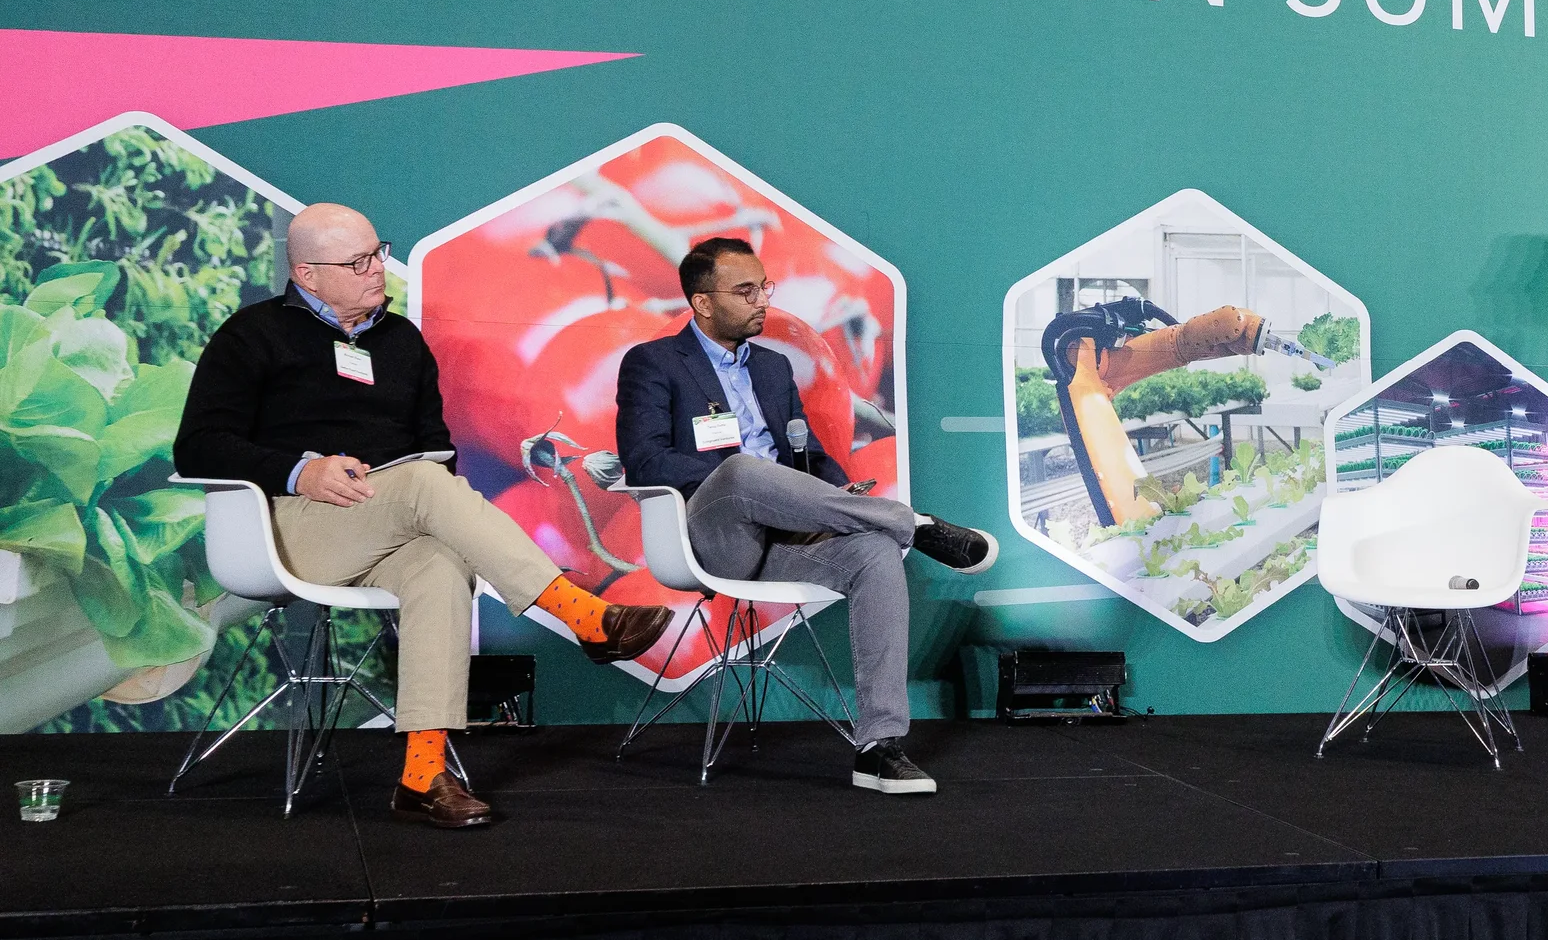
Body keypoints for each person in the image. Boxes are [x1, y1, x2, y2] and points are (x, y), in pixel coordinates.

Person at [173, 204, 672, 829]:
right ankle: (586, 615)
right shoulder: (252, 335)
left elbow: (436, 445)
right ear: (306, 273)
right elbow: (197, 446)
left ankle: (421, 774)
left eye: (377, 252)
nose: (375, 270)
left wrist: (420, 483)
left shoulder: (401, 342)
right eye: (356, 263)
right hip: (289, 528)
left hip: (386, 524)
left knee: (440, 563)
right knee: (419, 483)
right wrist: (303, 470)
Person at [615, 236, 998, 796]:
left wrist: (835, 489)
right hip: (712, 532)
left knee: (873, 551)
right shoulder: (653, 363)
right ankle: (909, 520)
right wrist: (737, 477)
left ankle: (880, 746)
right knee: (743, 471)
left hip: (788, 536)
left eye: (763, 287)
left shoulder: (772, 367)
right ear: (702, 302)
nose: (761, 300)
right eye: (745, 291)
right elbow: (645, 459)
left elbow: (807, 454)